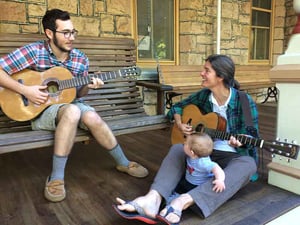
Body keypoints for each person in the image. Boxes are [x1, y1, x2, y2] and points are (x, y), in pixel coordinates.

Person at [0, 9, 148, 203]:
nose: (71, 37)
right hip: (38, 110)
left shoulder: (80, 59)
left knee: (91, 116)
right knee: (72, 111)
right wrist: (26, 92)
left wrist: (88, 85)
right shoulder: (34, 51)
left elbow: (78, 94)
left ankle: (123, 162)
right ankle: (56, 178)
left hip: (70, 104)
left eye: (73, 32)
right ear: (49, 33)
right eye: (66, 33)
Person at [114, 54, 258, 224]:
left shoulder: (243, 100)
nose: (201, 73)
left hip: (230, 156)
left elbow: (252, 133)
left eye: (206, 70)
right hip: (202, 152)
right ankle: (152, 199)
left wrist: (242, 139)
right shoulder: (205, 95)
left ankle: (183, 201)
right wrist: (180, 123)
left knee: (249, 165)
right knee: (177, 148)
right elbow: (177, 107)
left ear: (221, 77)